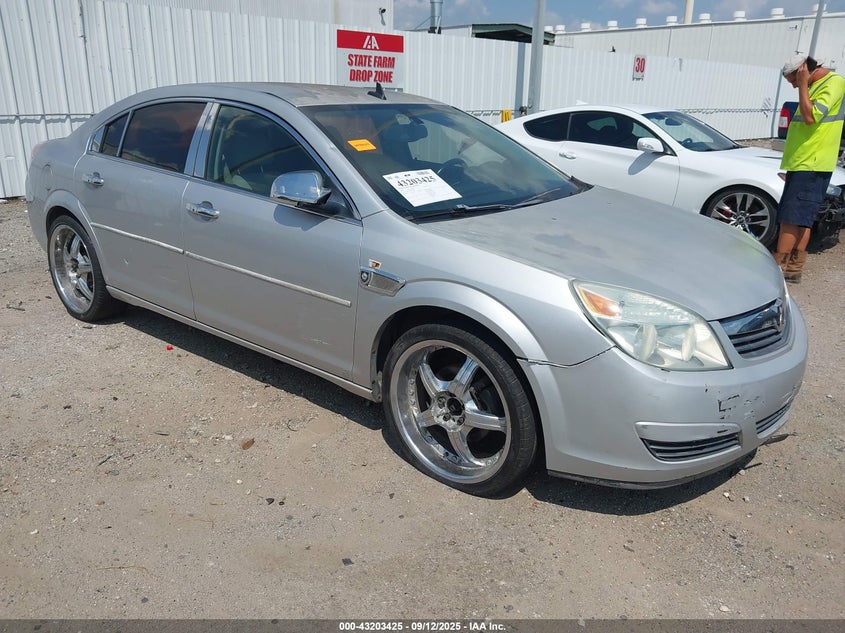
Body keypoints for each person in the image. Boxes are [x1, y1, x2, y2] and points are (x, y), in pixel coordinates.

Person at [774, 53, 845, 283]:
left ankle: (779, 269)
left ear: (804, 70)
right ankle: (792, 269)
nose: (794, 85)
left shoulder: (834, 83)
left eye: (794, 80)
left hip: (811, 163)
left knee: (790, 218)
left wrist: (803, 84)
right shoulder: (815, 86)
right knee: (801, 217)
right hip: (804, 163)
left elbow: (810, 117)